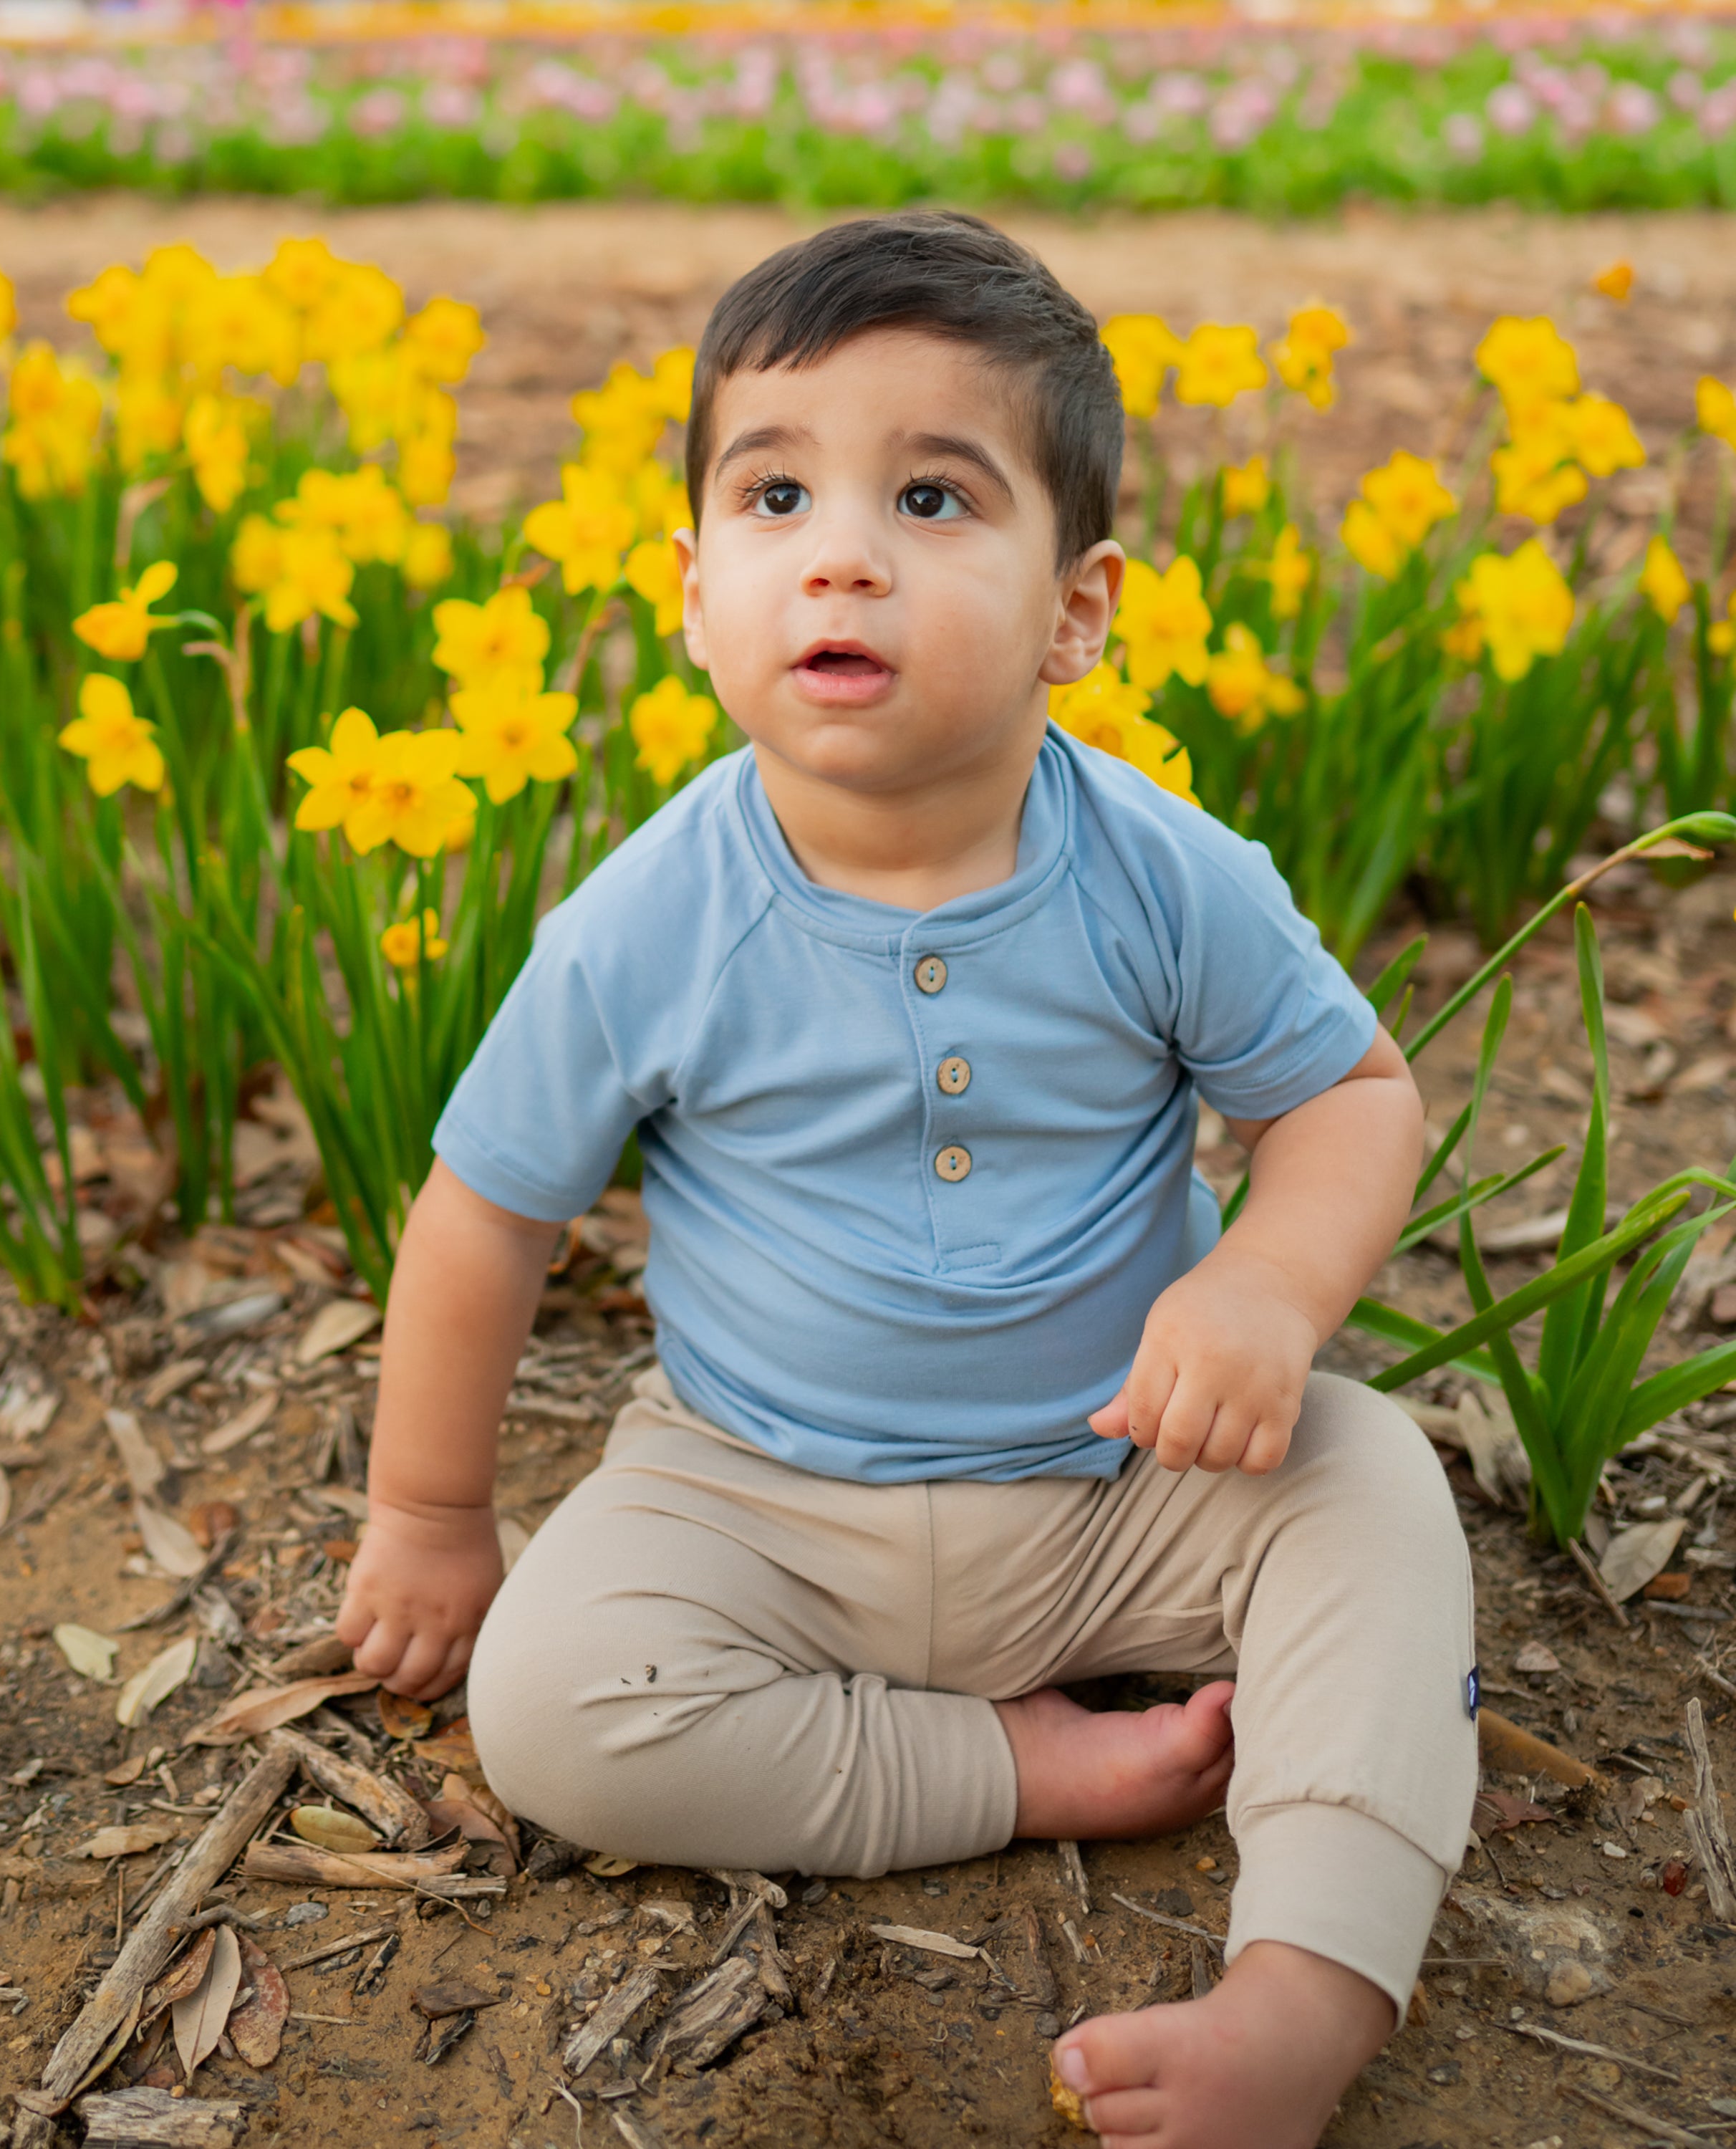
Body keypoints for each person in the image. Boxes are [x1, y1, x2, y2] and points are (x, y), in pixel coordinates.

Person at [333, 211, 1477, 2149]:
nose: (844, 549)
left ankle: (1307, 1988)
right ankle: (1011, 1770)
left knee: (1374, 1492)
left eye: (934, 495)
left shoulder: (1162, 872)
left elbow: (1356, 1100)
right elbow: (486, 1217)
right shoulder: (645, 921)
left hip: (1126, 1484)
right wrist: (433, 1514)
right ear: (697, 594)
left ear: (1077, 610)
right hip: (759, 1494)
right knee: (545, 1707)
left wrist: (1268, 1294)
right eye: (777, 494)